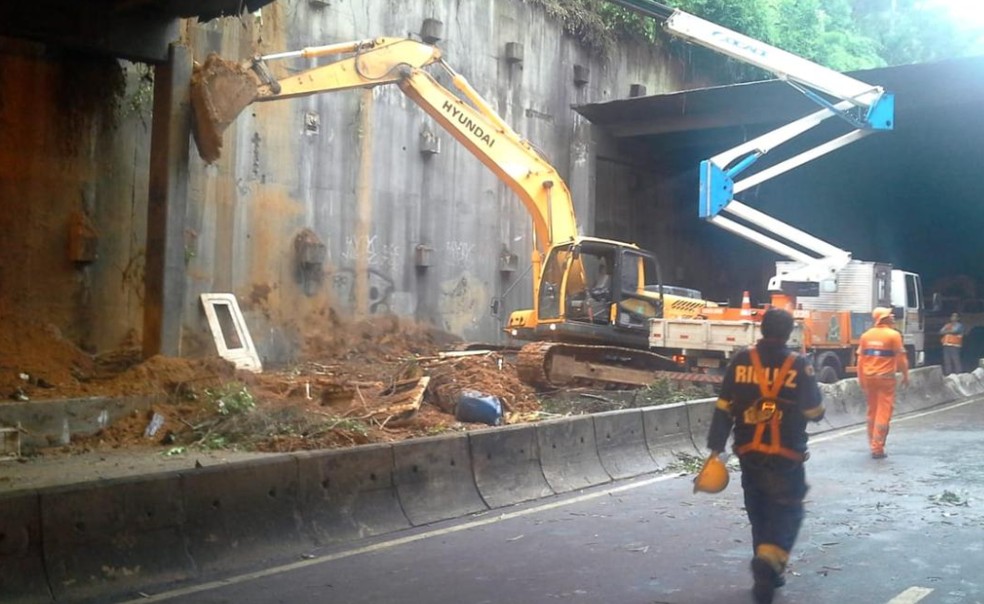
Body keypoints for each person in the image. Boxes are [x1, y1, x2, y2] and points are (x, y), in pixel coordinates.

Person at [698, 308, 825, 604]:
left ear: (762, 329)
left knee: (758, 510)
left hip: (748, 453)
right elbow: (814, 412)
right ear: (789, 332)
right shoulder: (799, 364)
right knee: (787, 509)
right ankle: (768, 562)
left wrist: (716, 448)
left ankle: (766, 569)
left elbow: (723, 408)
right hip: (786, 455)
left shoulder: (741, 360)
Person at [857, 307, 910, 459]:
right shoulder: (894, 335)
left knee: (872, 411)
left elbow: (860, 360)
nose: (893, 317)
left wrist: (861, 379)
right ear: (884, 318)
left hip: (869, 378)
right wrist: (906, 375)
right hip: (886, 379)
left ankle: (872, 442)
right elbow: (901, 359)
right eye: (890, 315)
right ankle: (877, 447)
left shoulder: (866, 336)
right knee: (883, 412)